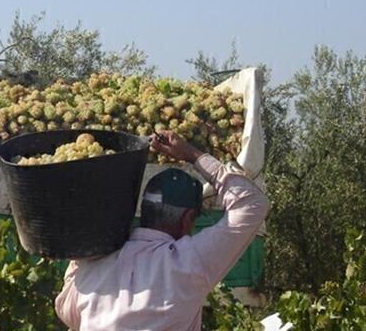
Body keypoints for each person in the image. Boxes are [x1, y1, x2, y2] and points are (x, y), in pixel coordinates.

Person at [55, 131, 270, 330]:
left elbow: (68, 311)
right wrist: (192, 154)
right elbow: (252, 203)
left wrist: (81, 254)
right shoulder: (187, 263)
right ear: (188, 219)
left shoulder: (96, 264)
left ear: (144, 210)